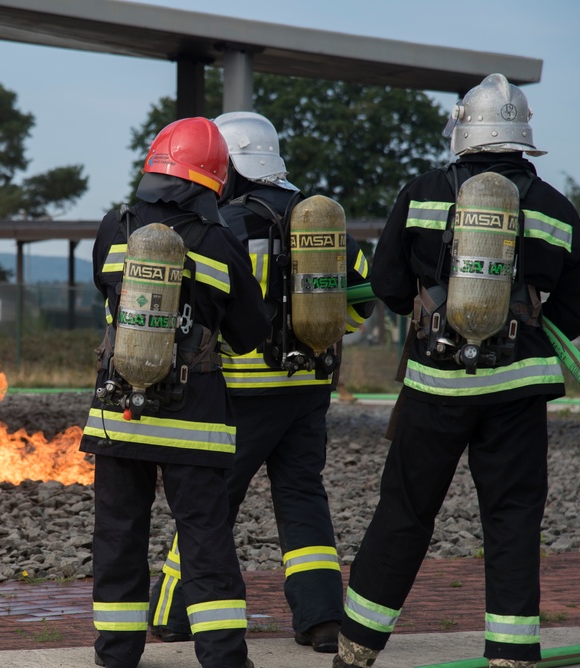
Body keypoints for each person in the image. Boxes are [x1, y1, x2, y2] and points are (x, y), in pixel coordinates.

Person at [334, 73, 580, 668]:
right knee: (511, 518)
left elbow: (386, 283)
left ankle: (356, 647)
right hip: (518, 391)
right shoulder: (556, 207)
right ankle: (511, 653)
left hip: (435, 384)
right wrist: (526, 322)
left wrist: (432, 314)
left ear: (463, 131)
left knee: (404, 511)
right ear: (523, 138)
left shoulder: (423, 192)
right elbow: (577, 311)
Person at [146, 110, 375, 654]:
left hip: (237, 393)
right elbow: (365, 295)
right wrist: (324, 331)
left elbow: (199, 306)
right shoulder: (320, 222)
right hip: (306, 391)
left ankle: (174, 613)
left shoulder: (222, 225)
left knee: (209, 504)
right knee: (302, 498)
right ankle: (321, 619)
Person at [80, 116, 269, 668]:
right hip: (195, 419)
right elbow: (250, 333)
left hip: (118, 414)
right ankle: (224, 656)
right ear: (211, 181)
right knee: (205, 539)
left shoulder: (113, 229)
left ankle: (116, 652)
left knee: (118, 535)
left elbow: (105, 292)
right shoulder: (218, 243)